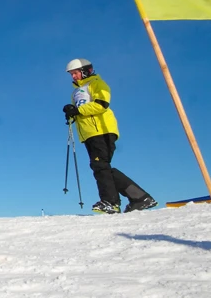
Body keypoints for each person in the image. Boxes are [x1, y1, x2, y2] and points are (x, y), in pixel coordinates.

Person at [63, 59, 157, 214]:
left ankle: (111, 202)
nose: (73, 76)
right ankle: (139, 198)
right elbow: (80, 110)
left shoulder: (97, 83)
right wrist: (71, 113)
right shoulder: (76, 92)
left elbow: (101, 104)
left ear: (85, 70)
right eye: (71, 74)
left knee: (100, 166)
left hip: (102, 130)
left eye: (75, 73)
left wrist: (78, 111)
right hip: (88, 133)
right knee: (101, 167)